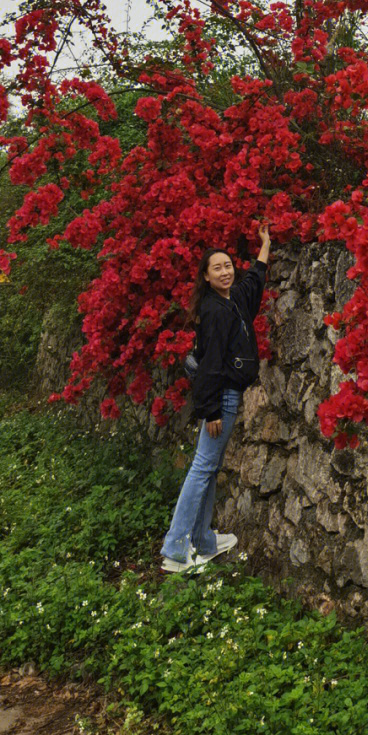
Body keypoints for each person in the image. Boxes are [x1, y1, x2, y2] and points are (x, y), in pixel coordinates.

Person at [160, 220, 271, 571]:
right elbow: (209, 366)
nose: (225, 272)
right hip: (220, 399)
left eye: (227, 266)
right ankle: (177, 549)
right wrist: (210, 411)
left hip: (222, 398)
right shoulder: (215, 312)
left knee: (207, 468)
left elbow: (253, 281)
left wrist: (265, 245)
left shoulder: (231, 300)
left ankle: (204, 540)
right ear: (205, 277)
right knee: (203, 468)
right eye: (217, 268)